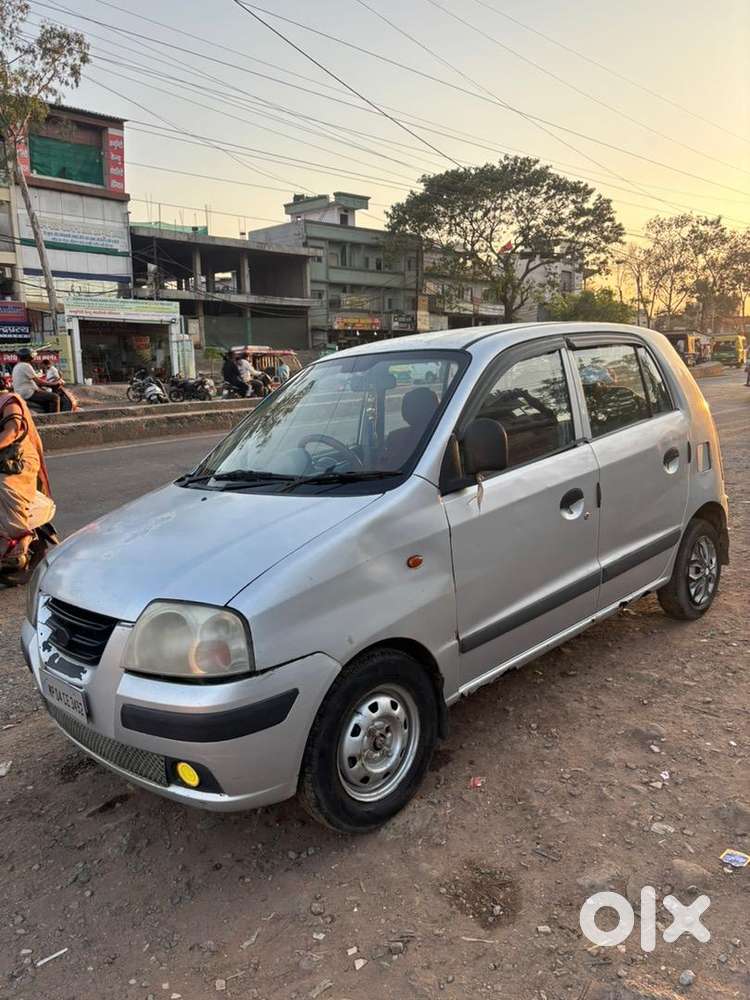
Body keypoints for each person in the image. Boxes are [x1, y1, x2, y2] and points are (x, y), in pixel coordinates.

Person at [0, 383, 55, 571]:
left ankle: (22, 538)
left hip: (19, 458)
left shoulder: (8, 401)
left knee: (3, 486)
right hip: (3, 458)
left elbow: (12, 430)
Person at [12, 348, 60, 413]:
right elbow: (38, 381)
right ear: (30, 357)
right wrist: (54, 384)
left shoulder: (17, 366)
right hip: (28, 393)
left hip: (22, 392)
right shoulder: (26, 366)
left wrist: (41, 387)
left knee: (46, 396)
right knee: (55, 397)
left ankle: (45, 415)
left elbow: (32, 381)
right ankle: (54, 418)